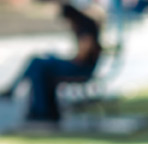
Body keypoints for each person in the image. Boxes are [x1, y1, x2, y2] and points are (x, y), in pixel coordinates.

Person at [1, 1, 103, 129]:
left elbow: (84, 53)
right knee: (39, 67)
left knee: (38, 65)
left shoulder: (85, 25)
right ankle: (42, 110)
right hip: (81, 66)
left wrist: (66, 60)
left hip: (81, 69)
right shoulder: (85, 23)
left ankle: (37, 107)